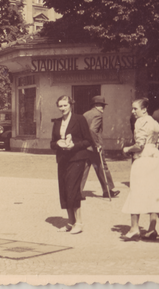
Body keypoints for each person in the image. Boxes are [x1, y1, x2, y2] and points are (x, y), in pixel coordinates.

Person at [122, 98, 159, 240]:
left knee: (136, 191)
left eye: (135, 108)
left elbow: (140, 145)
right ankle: (152, 229)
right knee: (154, 191)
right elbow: (157, 142)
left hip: (142, 159)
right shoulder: (154, 122)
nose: (133, 111)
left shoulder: (140, 122)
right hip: (155, 159)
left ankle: (134, 228)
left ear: (144, 109)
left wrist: (127, 149)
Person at [50, 95, 93, 235]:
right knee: (64, 190)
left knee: (73, 189)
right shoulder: (57, 122)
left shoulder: (79, 119)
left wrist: (74, 146)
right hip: (62, 159)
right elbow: (52, 143)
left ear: (71, 105)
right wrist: (58, 144)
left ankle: (79, 223)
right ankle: (70, 222)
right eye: (60, 106)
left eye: (65, 105)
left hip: (77, 158)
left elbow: (88, 141)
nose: (62, 108)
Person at [81, 95, 120, 199]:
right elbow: (92, 130)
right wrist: (97, 144)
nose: (103, 107)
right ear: (97, 106)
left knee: (84, 168)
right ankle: (108, 191)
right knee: (102, 167)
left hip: (85, 146)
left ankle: (77, 191)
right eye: (101, 105)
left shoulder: (86, 114)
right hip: (94, 147)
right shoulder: (98, 114)